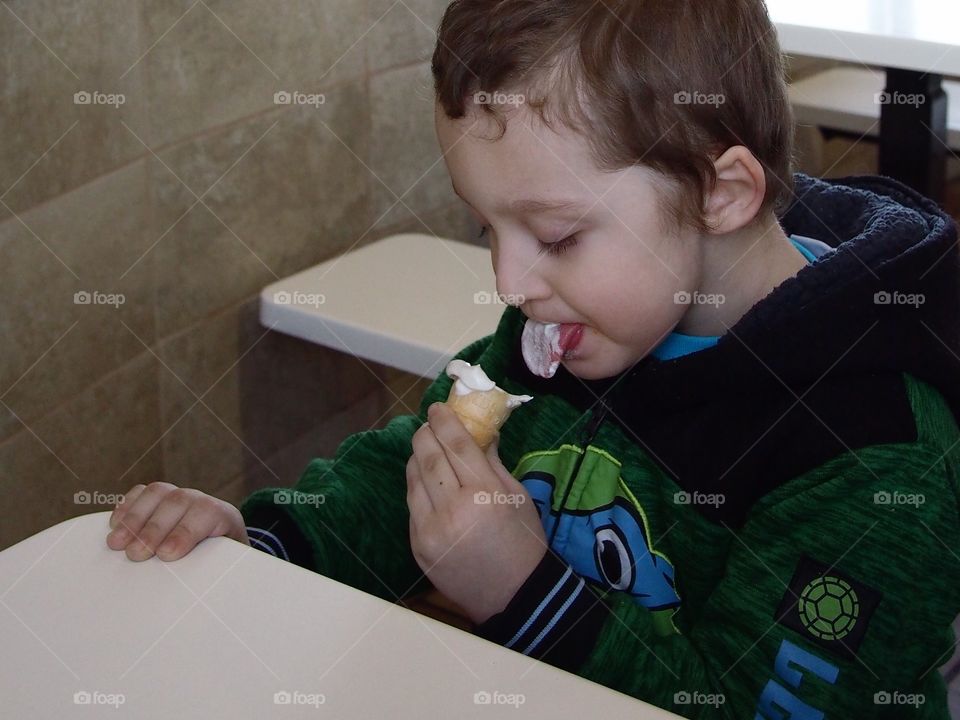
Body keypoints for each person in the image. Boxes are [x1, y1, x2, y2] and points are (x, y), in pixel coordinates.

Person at [107, 0, 960, 716]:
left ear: (719, 194)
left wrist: (524, 592)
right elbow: (406, 473)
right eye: (487, 229)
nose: (511, 282)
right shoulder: (575, 329)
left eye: (555, 235)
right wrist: (264, 544)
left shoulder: (872, 454)